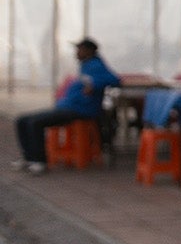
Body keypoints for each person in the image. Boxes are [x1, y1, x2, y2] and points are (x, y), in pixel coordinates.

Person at [13, 38, 119, 173]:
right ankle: (29, 158)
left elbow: (114, 79)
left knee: (35, 123)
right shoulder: (85, 65)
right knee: (22, 120)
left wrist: (94, 85)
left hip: (80, 110)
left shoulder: (96, 65)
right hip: (67, 107)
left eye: (80, 49)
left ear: (89, 51)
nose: (77, 53)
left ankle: (39, 161)